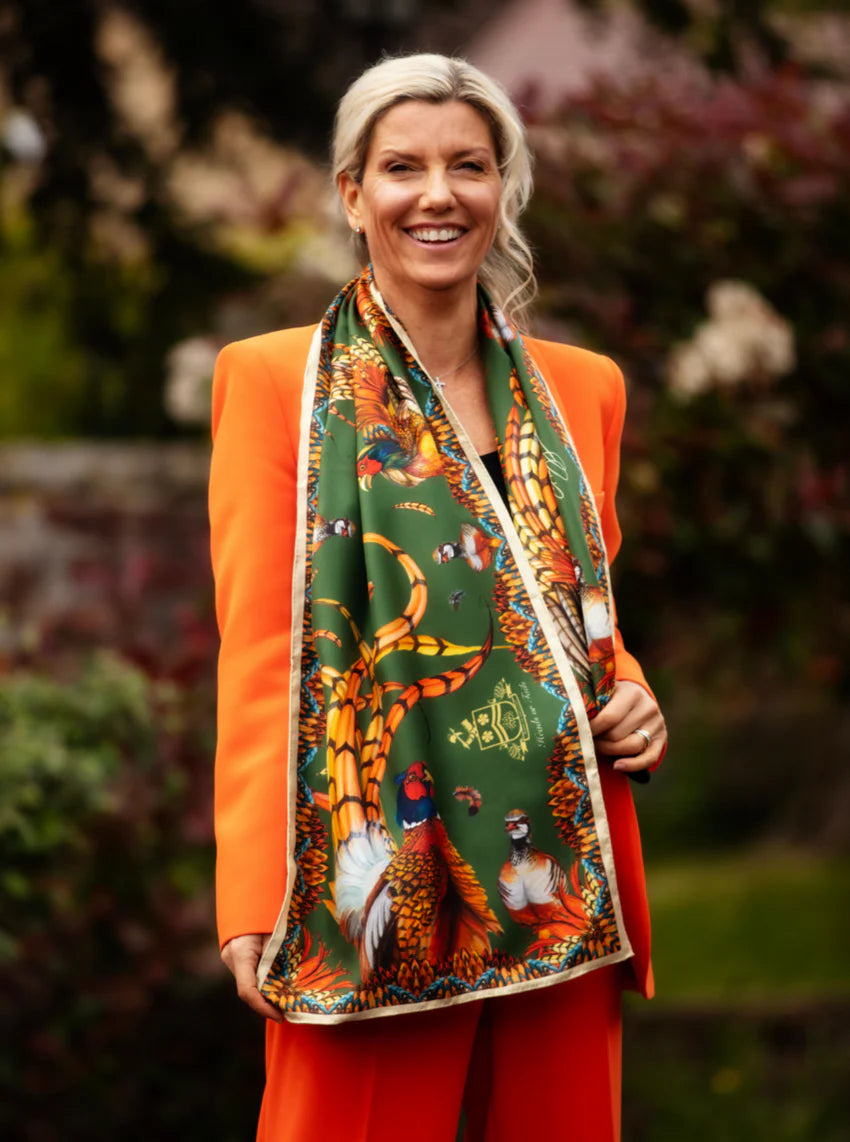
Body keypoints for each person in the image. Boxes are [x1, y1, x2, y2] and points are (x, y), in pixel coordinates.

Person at [209, 52, 667, 1142]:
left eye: (468, 165)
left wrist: (636, 689)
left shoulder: (583, 388)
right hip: (366, 873)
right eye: (402, 166)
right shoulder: (276, 382)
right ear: (352, 192)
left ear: (503, 186)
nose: (437, 194)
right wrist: (251, 896)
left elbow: (568, 606)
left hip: (558, 865)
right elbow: (267, 647)